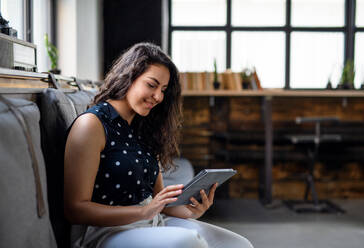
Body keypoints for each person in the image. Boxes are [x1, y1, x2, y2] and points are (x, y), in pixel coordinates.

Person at [64, 42, 253, 248]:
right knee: (188, 242)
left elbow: (157, 201)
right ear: (128, 77)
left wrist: (192, 211)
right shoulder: (92, 125)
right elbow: (75, 209)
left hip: (151, 222)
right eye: (152, 85)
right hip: (106, 232)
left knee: (237, 244)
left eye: (163, 89)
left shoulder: (143, 127)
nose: (158, 96)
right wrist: (143, 212)